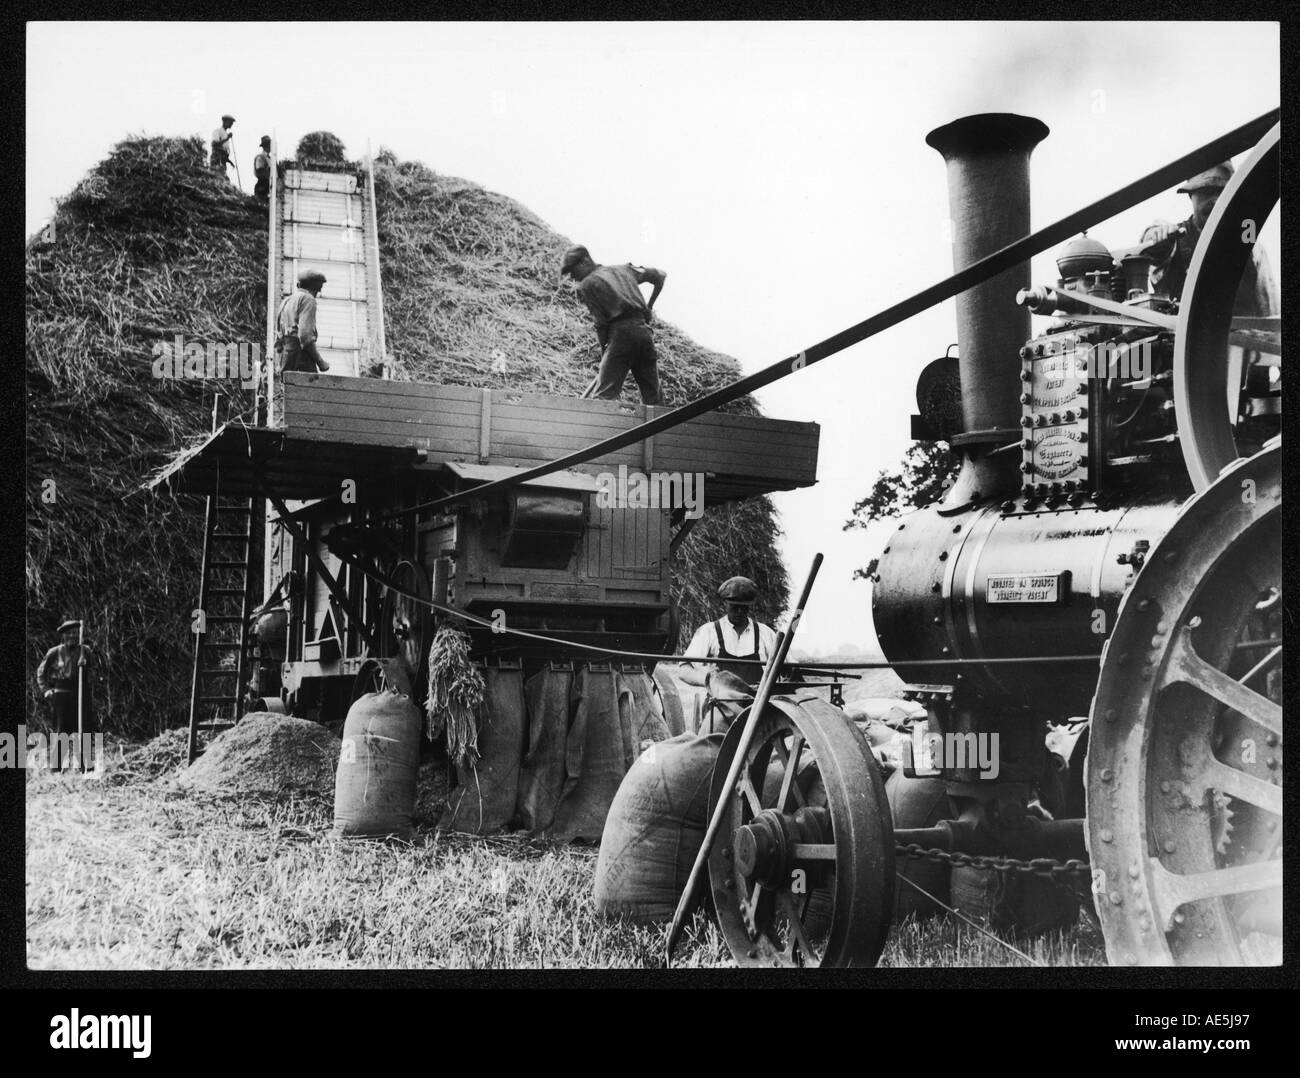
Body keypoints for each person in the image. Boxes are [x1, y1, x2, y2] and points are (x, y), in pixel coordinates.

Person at [1140, 162, 1278, 316]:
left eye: (1222, 191)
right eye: (1206, 191)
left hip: (1242, 339)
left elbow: (1271, 316)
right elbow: (1152, 248)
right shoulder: (1174, 240)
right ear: (1191, 196)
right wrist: (1157, 237)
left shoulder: (1252, 248)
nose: (1214, 200)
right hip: (1185, 340)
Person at [561, 245, 666, 405]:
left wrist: (605, 353)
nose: (572, 278)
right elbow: (660, 276)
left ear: (585, 262)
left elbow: (601, 324)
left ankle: (603, 429)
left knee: (604, 396)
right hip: (644, 334)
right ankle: (661, 427)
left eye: (573, 272)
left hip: (621, 335)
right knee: (653, 396)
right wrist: (649, 307)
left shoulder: (588, 284)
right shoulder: (624, 270)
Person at [35, 618, 97, 770]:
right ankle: (56, 767)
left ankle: (86, 766)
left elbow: (95, 674)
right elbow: (40, 672)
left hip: (81, 693)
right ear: (63, 636)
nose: (72, 637)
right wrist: (46, 690)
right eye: (69, 634)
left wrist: (86, 667)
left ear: (79, 635)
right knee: (61, 729)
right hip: (61, 693)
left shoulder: (85, 651)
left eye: (75, 634)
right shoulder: (55, 652)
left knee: (84, 728)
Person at [253, 135, 272, 204]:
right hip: (262, 186)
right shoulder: (261, 157)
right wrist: (270, 176)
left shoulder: (269, 158)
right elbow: (260, 171)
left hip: (268, 185)